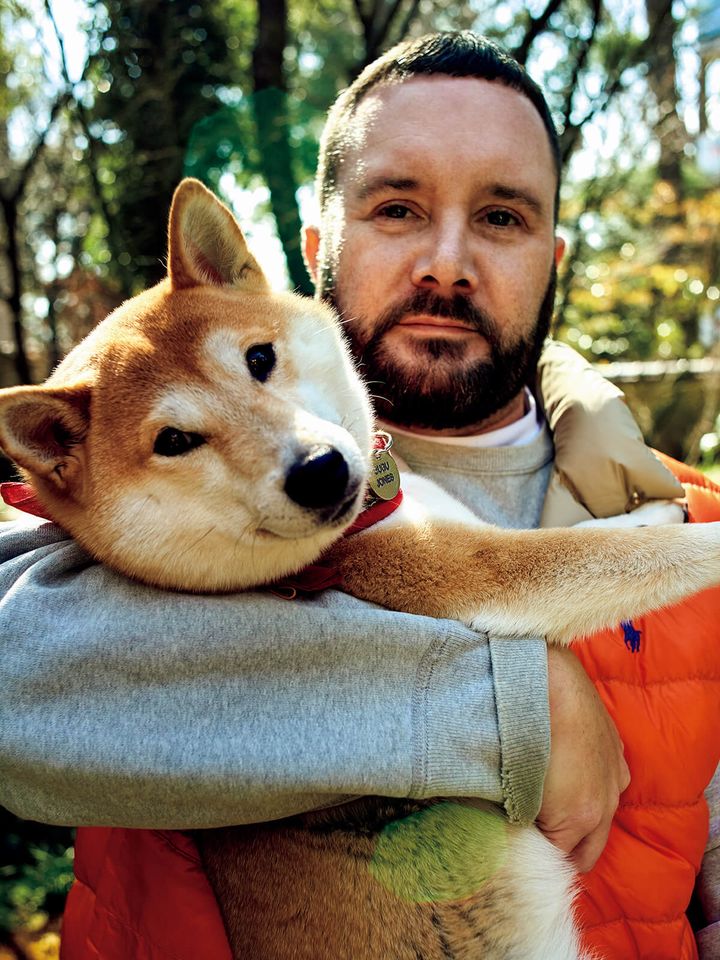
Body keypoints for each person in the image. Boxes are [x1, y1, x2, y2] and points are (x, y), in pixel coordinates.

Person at [0, 29, 717, 960]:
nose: (447, 262)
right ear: (313, 246)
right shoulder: (105, 552)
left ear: (556, 256)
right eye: (396, 208)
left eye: (502, 216)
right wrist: (511, 699)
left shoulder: (694, 517)